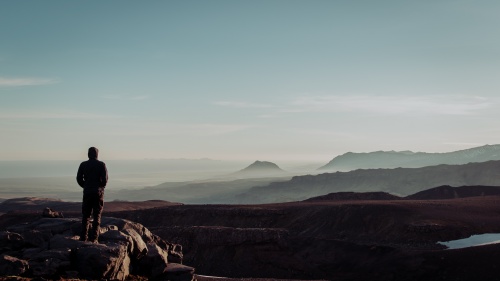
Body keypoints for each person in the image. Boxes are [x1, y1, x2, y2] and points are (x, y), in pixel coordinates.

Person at [76, 147, 108, 243]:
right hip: (98, 193)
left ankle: (83, 237)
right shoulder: (101, 165)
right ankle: (94, 238)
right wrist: (100, 187)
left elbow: (79, 178)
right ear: (97, 154)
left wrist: (85, 186)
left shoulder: (83, 165)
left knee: (86, 215)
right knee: (97, 215)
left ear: (88, 154)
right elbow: (105, 180)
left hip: (87, 192)